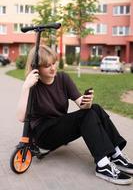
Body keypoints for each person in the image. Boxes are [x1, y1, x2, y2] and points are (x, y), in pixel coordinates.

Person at [17, 45, 133, 185]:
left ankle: (116, 155)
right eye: (47, 66)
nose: (53, 68)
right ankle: (103, 165)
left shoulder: (62, 78)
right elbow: (21, 117)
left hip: (60, 126)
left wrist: (87, 102)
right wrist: (25, 87)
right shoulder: (33, 86)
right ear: (36, 68)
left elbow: (82, 105)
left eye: (54, 63)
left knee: (95, 108)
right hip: (44, 134)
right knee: (85, 116)